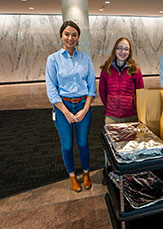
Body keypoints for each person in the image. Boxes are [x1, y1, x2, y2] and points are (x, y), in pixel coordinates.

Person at [45, 21, 97, 192]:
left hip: (83, 105)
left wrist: (85, 108)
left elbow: (91, 86)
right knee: (67, 144)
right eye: (67, 34)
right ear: (61, 36)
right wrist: (66, 112)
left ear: (78, 37)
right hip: (62, 108)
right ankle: (72, 176)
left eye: (74, 35)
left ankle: (86, 173)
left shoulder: (85, 59)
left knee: (82, 143)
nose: (70, 38)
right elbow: (51, 89)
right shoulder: (53, 59)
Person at [99, 37, 144, 124]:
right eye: (120, 48)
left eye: (126, 49)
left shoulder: (135, 70)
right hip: (111, 117)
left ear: (129, 52)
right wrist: (109, 106)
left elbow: (140, 93)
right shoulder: (106, 69)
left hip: (131, 117)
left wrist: (134, 107)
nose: (123, 52)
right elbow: (102, 91)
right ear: (115, 50)